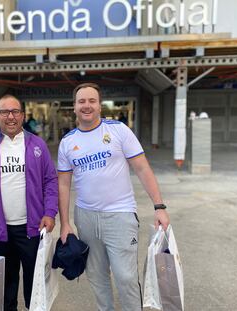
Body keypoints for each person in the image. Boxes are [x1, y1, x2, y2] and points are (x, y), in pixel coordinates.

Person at [57, 83, 170, 311]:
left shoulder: (118, 130)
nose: (86, 105)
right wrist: (65, 223)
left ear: (100, 105)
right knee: (97, 277)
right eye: (81, 101)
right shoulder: (67, 142)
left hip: (120, 216)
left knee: (126, 277)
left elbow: (142, 169)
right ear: (75, 106)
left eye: (91, 101)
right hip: (86, 217)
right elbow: (63, 183)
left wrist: (159, 206)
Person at [0, 95, 58, 311]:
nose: (11, 116)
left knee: (34, 287)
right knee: (6, 287)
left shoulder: (37, 145)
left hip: (33, 229)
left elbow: (50, 181)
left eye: (15, 111)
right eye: (5, 112)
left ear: (23, 116)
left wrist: (50, 212)